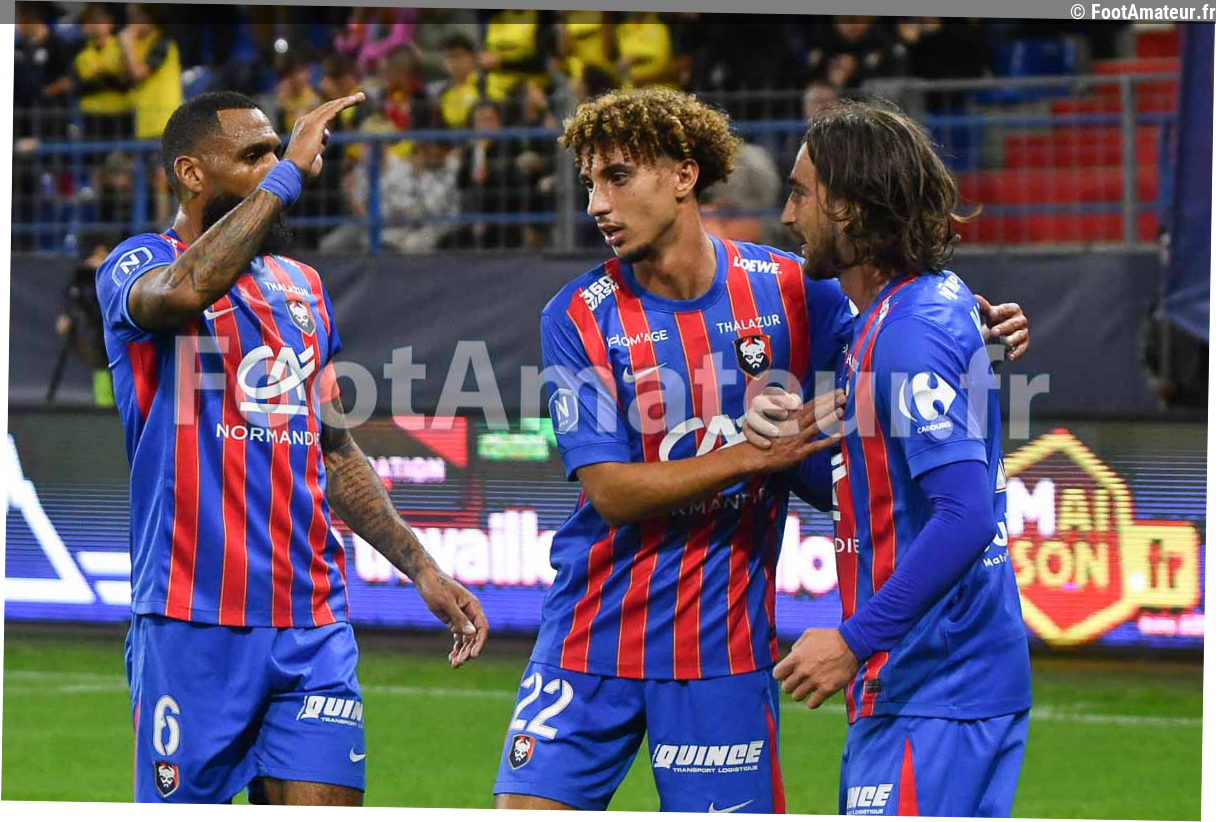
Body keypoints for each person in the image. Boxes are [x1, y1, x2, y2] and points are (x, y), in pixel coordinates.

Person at [491, 87, 1029, 813]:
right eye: (589, 183)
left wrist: (971, 325)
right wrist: (751, 455)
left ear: (684, 176)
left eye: (616, 177)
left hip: (724, 647)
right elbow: (611, 491)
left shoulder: (793, 289)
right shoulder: (577, 316)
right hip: (590, 635)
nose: (597, 205)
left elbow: (892, 349)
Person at [95, 90, 489, 805]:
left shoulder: (302, 286)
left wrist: (422, 568)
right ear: (191, 173)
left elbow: (333, 450)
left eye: (278, 151)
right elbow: (182, 292)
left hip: (312, 622)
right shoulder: (138, 264)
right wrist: (286, 177)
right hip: (191, 619)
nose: (280, 166)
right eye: (254, 156)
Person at [745, 98, 1032, 818]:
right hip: (926, 688)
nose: (788, 215)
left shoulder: (909, 333)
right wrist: (784, 453)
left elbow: (965, 515)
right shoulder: (910, 311)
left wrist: (852, 640)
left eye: (801, 193)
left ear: (848, 208)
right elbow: (875, 488)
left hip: (937, 688)